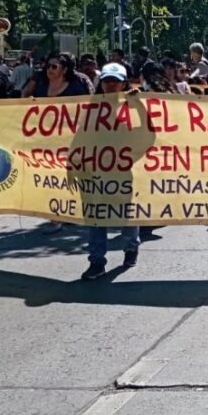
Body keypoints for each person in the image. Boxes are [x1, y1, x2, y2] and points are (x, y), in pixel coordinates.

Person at [79, 63, 141, 279]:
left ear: (124, 83)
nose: (111, 85)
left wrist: (139, 105)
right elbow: (80, 136)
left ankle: (131, 247)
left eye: (115, 81)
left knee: (126, 214)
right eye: (107, 81)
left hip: (123, 169)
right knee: (96, 217)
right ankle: (97, 262)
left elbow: (148, 132)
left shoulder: (132, 105)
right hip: (95, 169)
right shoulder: (91, 107)